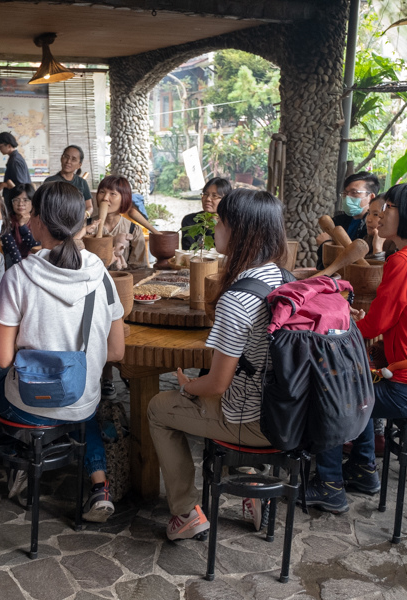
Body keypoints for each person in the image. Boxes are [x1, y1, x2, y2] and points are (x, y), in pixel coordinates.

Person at [305, 183, 407, 514]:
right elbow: (405, 317)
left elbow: (376, 324)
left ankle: (329, 486)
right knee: (359, 382)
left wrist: (340, 321)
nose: (380, 214)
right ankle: (363, 470)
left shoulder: (404, 261)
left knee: (331, 393)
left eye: (390, 207)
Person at [147, 189, 288, 539]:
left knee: (158, 408)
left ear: (240, 232)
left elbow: (216, 384)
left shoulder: (238, 299)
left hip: (253, 422)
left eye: (221, 223)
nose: (216, 231)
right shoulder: (284, 278)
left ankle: (184, 513)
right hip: (289, 413)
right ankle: (252, 485)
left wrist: (185, 385)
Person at [0, 181, 126, 522]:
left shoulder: (18, 277)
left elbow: (3, 358)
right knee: (82, 402)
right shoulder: (100, 275)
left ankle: (18, 456)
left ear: (37, 223)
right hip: (80, 402)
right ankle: (99, 485)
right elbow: (117, 351)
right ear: (80, 224)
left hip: (28, 406)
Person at [315, 171, 380, 269]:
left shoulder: (373, 227)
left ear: (371, 197)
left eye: (354, 193)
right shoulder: (337, 222)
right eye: (345, 193)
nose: (347, 197)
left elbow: (359, 260)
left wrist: (326, 244)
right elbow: (323, 264)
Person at [89, 175, 148, 271]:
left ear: (124, 198)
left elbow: (138, 269)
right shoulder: (85, 226)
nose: (105, 198)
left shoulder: (133, 230)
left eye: (113, 193)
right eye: (102, 192)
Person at [180, 177, 231, 252]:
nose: (208, 199)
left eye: (214, 196)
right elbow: (188, 252)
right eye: (205, 194)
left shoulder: (231, 223)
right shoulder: (190, 220)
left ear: (226, 199)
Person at [0, 183, 39, 271]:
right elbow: (11, 249)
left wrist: (22, 226)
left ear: (32, 202)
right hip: (13, 260)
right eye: (16, 200)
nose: (20, 204)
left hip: (33, 259)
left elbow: (35, 246)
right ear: (11, 202)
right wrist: (22, 271)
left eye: (25, 200)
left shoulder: (38, 220)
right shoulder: (6, 220)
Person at [44, 145, 93, 213]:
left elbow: (89, 207)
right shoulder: (50, 182)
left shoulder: (82, 182)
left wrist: (85, 215)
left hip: (77, 221)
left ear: (79, 165)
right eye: (66, 157)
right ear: (61, 158)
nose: (68, 161)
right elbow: (43, 206)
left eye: (73, 159)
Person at [0, 131, 31, 204]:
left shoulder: (15, 160)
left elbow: (21, 185)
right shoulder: (14, 158)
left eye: (1, 146)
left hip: (17, 201)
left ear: (9, 146)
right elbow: (14, 182)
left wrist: (3, 185)